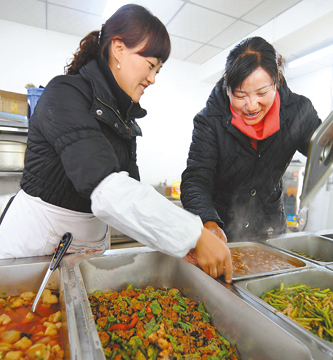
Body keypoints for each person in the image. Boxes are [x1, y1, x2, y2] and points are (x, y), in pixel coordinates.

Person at [0, 4, 232, 281]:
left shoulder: (125, 122)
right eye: (150, 66)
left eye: (158, 70)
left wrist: (177, 244)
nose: (153, 79)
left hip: (87, 251)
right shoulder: (64, 93)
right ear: (118, 49)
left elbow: (130, 193)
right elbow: (107, 189)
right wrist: (194, 234)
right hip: (34, 250)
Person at [181, 36, 321, 243]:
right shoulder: (210, 120)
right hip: (222, 234)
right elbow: (196, 180)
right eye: (240, 95)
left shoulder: (299, 112)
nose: (252, 105)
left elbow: (323, 151)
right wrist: (208, 223)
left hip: (271, 233)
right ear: (228, 88)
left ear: (277, 80)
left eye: (262, 92)